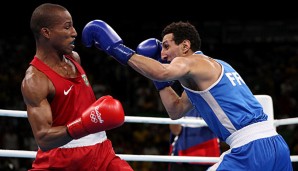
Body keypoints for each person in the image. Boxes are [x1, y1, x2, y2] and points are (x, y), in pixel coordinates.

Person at [81, 20, 293, 170]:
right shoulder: (210, 69)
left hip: (250, 148)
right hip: (275, 143)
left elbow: (162, 71)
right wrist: (159, 82)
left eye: (166, 46)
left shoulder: (191, 61)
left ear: (185, 46)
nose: (162, 54)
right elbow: (176, 110)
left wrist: (117, 48)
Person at [21, 4, 133, 170]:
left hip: (102, 153)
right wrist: (84, 124)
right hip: (62, 160)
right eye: (67, 27)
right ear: (46, 32)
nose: (74, 32)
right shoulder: (35, 80)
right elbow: (43, 139)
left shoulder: (74, 58)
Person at [136, 39, 221, 171]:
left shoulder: (210, 97)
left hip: (201, 155)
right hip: (190, 155)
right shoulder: (188, 98)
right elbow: (176, 128)